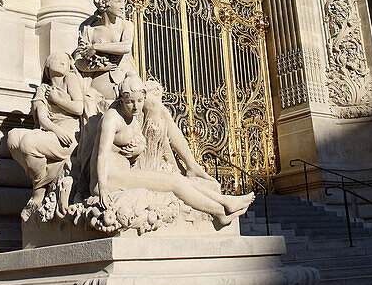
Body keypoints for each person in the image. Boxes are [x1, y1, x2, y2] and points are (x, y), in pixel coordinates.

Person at [93, 77, 254, 227]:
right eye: (130, 102)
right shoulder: (112, 119)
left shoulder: (132, 114)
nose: (136, 106)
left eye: (140, 101)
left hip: (124, 173)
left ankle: (224, 202)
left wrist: (140, 147)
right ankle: (221, 211)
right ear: (121, 100)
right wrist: (102, 187)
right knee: (174, 182)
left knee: (176, 177)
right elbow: (102, 154)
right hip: (109, 178)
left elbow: (137, 139)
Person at [7, 52, 91, 216]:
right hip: (54, 132)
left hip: (69, 136)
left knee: (28, 143)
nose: (62, 61)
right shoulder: (43, 89)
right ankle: (43, 177)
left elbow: (78, 108)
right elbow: (42, 118)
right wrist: (56, 130)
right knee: (12, 137)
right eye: (56, 58)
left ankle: (38, 188)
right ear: (47, 66)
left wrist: (57, 99)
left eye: (65, 61)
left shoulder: (70, 79)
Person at [75, 0, 138, 99]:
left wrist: (96, 47)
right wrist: (99, 67)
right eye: (118, 2)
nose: (123, 6)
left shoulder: (126, 25)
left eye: (123, 1)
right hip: (98, 86)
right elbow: (78, 62)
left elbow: (126, 46)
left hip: (127, 85)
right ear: (106, 3)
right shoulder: (89, 29)